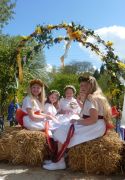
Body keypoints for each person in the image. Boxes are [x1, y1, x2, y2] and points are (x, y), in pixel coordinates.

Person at [43, 75, 113, 170]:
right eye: (81, 86)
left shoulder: (90, 98)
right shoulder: (96, 97)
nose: (82, 88)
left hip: (94, 126)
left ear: (91, 86)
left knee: (62, 130)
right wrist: (77, 121)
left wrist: (77, 122)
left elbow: (93, 119)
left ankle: (60, 162)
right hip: (98, 125)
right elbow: (92, 117)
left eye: (85, 85)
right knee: (66, 126)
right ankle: (58, 159)